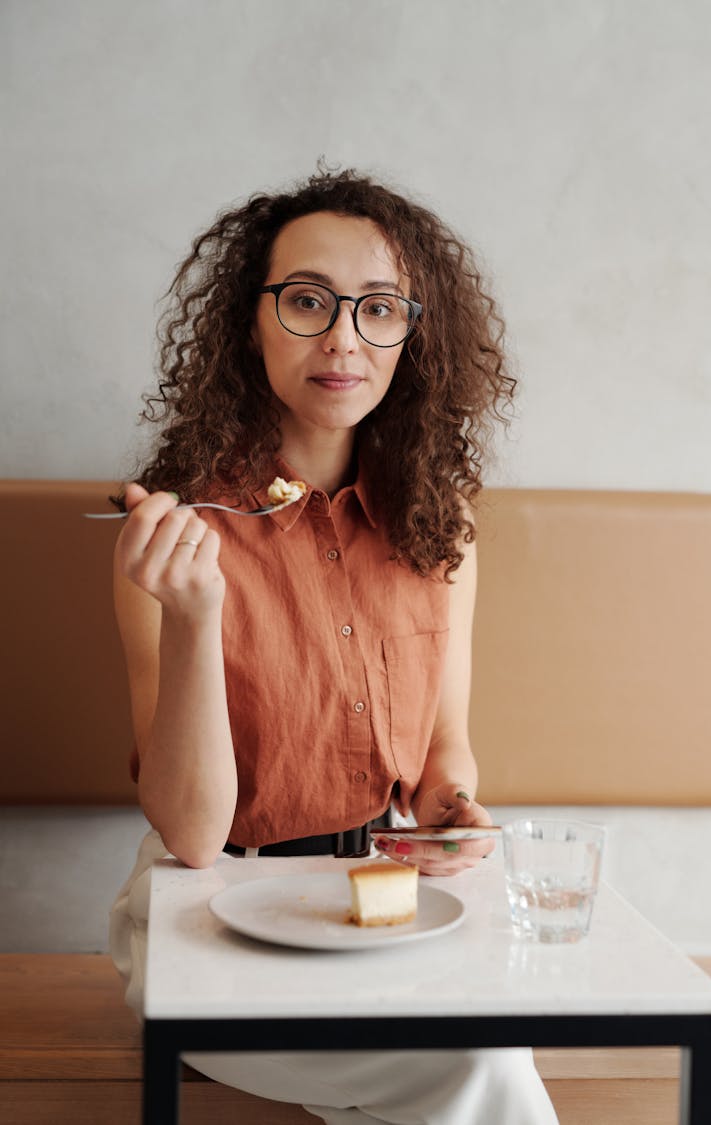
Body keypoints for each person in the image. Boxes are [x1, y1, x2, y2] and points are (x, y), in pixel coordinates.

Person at [109, 166, 558, 1125]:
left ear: (413, 333)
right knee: (484, 1067)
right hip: (211, 910)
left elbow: (445, 757)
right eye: (308, 301)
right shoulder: (176, 530)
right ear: (250, 321)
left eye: (379, 308)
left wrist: (454, 811)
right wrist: (194, 615)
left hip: (384, 900)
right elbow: (190, 835)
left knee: (493, 1041)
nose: (344, 338)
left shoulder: (441, 526)